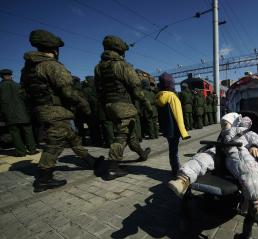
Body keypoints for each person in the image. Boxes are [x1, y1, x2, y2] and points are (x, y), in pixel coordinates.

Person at [20, 29, 101, 192]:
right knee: (55, 143)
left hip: (40, 109)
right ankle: (44, 178)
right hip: (55, 110)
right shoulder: (51, 65)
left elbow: (23, 93)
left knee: (71, 137)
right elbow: (68, 91)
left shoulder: (27, 69)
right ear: (55, 50)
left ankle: (90, 161)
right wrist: (84, 105)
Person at [168, 113, 258, 227]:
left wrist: (256, 146)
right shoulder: (224, 134)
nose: (223, 127)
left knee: (248, 168)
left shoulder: (247, 133)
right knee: (202, 158)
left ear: (235, 122)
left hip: (238, 152)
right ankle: (183, 179)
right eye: (222, 125)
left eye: (225, 124)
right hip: (219, 152)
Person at [94, 35, 152, 180]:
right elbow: (137, 89)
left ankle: (141, 154)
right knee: (121, 136)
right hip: (123, 105)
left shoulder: (98, 67)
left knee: (129, 133)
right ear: (121, 50)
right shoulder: (123, 65)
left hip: (108, 106)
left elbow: (98, 90)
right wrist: (148, 106)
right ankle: (112, 168)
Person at [156, 73, 190, 176]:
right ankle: (176, 171)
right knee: (174, 151)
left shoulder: (159, 96)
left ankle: (174, 169)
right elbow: (178, 115)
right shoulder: (172, 97)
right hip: (174, 128)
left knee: (172, 150)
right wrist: (183, 132)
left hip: (167, 129)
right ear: (171, 84)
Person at [0, 69, 38, 157]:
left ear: (1, 76)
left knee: (15, 132)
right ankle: (32, 150)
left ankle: (21, 152)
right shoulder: (18, 86)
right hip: (23, 112)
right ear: (11, 75)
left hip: (9, 113)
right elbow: (26, 98)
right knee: (28, 130)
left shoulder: (1, 87)